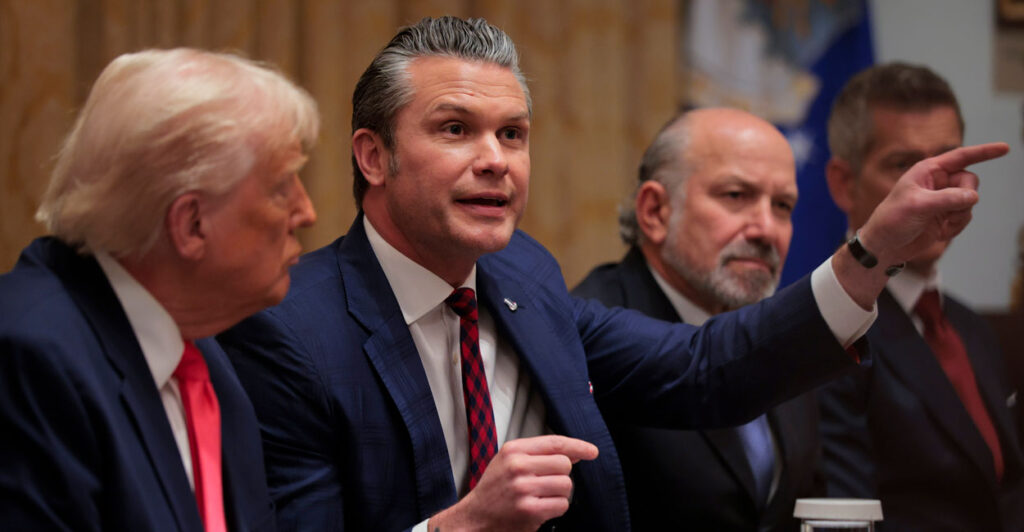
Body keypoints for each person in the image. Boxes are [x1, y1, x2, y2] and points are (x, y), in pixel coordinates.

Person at [218, 17, 1005, 531]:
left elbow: (704, 369)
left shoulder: (522, 273)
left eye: (514, 134)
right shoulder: (288, 329)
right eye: (456, 129)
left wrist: (871, 252)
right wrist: (460, 527)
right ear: (373, 156)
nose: (495, 160)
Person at [0, 48, 319, 531]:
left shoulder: (205, 357)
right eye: (281, 187)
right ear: (191, 224)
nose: (306, 212)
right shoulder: (29, 357)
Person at [573, 107, 821, 531]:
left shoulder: (784, 333)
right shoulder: (588, 338)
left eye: (782, 205)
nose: (766, 229)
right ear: (655, 211)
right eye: (735, 196)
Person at [817, 62, 1024, 531]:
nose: (932, 190)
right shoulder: (823, 333)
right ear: (842, 183)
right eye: (904, 166)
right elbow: (846, 517)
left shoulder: (970, 329)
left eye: (948, 164)